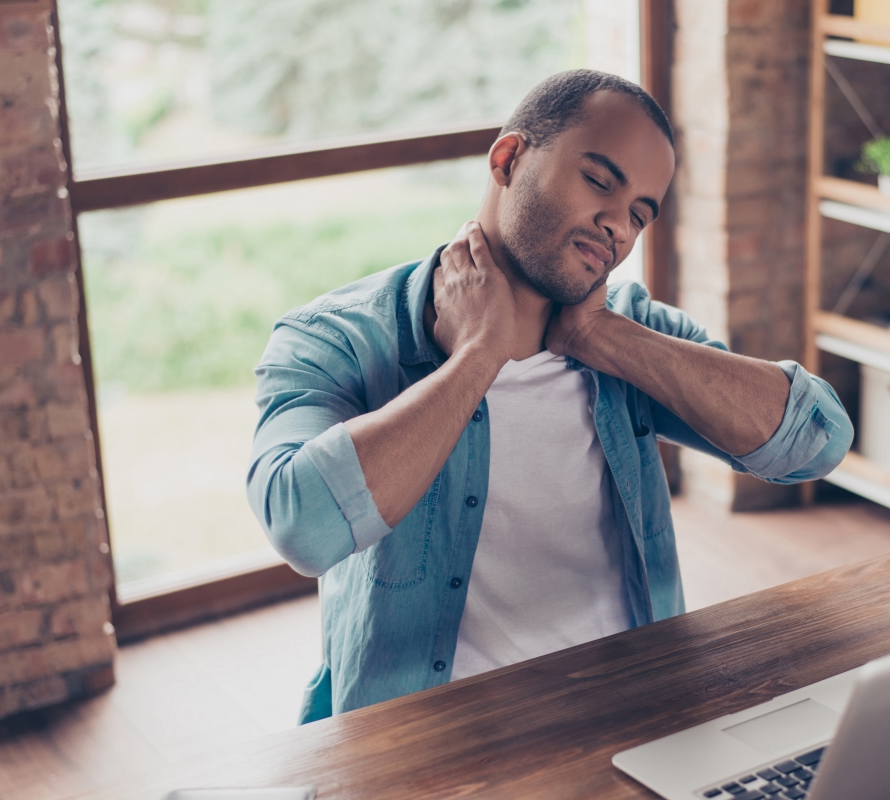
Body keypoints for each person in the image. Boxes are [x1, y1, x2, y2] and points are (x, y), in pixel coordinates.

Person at [247, 70, 853, 723]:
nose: (618, 227)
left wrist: (603, 337)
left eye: (640, 214)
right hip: (430, 747)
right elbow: (300, 526)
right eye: (599, 181)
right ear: (509, 159)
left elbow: (817, 442)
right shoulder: (337, 337)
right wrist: (478, 356)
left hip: (638, 716)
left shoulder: (628, 330)